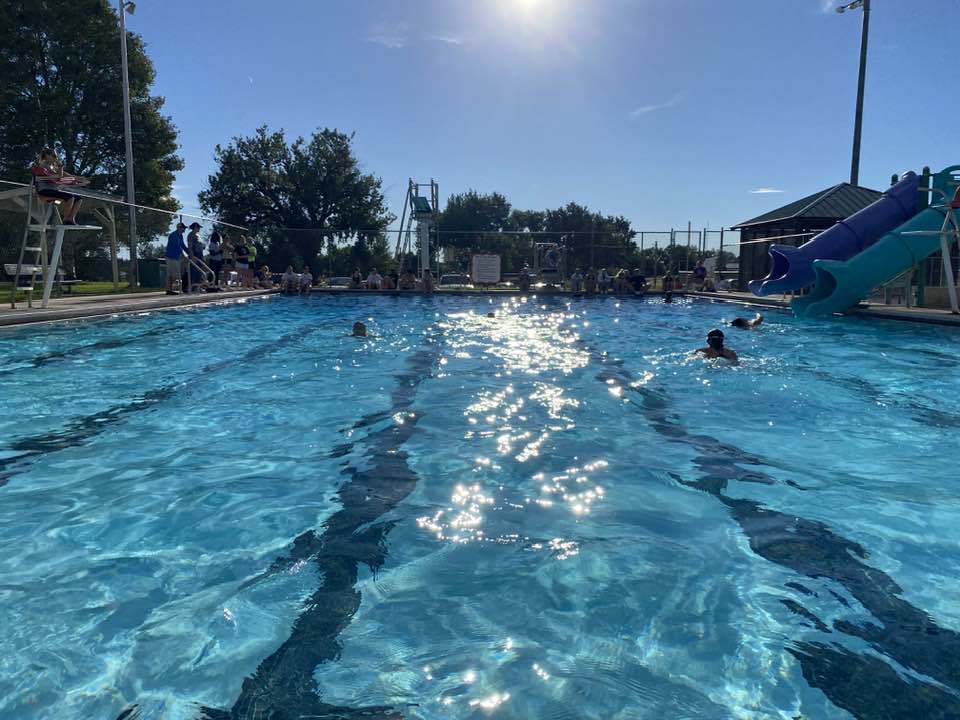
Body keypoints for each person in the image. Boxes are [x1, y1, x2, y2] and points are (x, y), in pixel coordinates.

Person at [31, 148, 83, 224]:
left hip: (53, 190)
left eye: (56, 156)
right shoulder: (43, 166)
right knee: (70, 197)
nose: (56, 158)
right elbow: (59, 176)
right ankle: (65, 219)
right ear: (47, 156)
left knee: (78, 199)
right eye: (54, 156)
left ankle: (71, 218)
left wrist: (76, 178)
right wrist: (61, 167)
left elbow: (63, 175)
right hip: (44, 191)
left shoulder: (52, 167)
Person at [164, 222, 187, 295]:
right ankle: (169, 289)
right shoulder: (173, 235)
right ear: (179, 228)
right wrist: (184, 256)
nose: (184, 229)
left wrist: (189, 252)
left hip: (176, 258)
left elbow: (183, 245)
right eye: (183, 228)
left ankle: (169, 289)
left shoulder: (180, 236)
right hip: (171, 257)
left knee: (173, 274)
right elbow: (178, 247)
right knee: (172, 274)